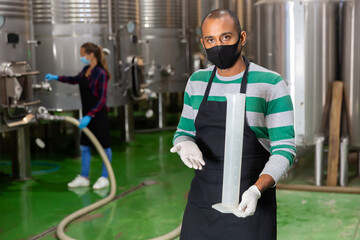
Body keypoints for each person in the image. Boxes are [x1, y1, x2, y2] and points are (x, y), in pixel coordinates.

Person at [170, 9, 296, 239]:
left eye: (226, 37)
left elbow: (285, 149)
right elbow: (183, 132)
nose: (218, 45)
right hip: (202, 205)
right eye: (211, 40)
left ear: (242, 38)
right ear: (203, 43)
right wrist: (184, 144)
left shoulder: (271, 84)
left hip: (249, 206)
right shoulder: (197, 82)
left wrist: (257, 190)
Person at [45, 42, 112, 190]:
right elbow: (74, 79)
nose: (81, 58)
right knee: (85, 146)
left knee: (104, 147)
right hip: (87, 113)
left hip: (98, 115)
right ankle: (84, 177)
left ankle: (105, 177)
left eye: (83, 55)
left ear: (91, 55)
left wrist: (90, 116)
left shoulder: (101, 73)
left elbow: (101, 99)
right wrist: (57, 77)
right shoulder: (86, 70)